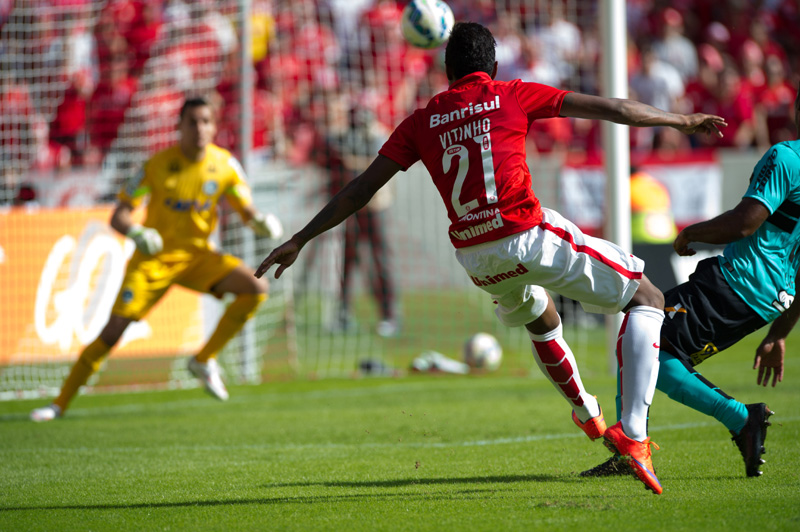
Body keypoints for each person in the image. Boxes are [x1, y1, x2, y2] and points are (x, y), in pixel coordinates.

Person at [255, 22, 726, 495]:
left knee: (541, 319)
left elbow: (360, 189)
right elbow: (614, 108)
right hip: (525, 233)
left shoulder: (421, 120)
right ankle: (635, 435)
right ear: (494, 66)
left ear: (447, 70)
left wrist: (300, 237)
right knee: (647, 296)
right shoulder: (511, 93)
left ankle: (587, 413)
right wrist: (680, 121)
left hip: (476, 258)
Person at [582, 86, 800, 479]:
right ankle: (631, 447)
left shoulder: (787, 157)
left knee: (646, 340)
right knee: (642, 339)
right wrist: (780, 333)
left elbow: (745, 221)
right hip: (766, 302)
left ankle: (738, 418)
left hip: (736, 283)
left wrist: (690, 234)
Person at [30, 96, 283, 422]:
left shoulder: (225, 166)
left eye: (205, 121)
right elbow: (118, 215)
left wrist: (260, 221)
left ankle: (204, 360)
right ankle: (59, 404)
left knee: (255, 287)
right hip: (153, 261)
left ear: (215, 126)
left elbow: (245, 210)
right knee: (112, 332)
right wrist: (136, 233)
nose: (199, 129)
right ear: (178, 127)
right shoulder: (156, 165)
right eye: (192, 122)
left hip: (197, 257)